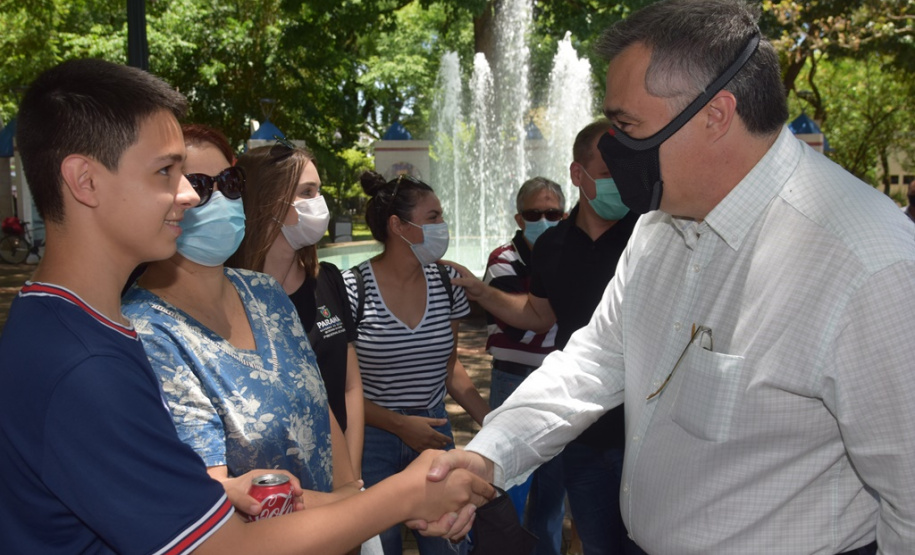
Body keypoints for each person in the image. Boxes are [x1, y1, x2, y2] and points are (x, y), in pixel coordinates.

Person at [421, 1, 915, 553]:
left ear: (716, 114)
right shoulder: (659, 225)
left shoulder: (866, 264)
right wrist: (488, 456)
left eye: (626, 125)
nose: (613, 147)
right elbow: (596, 361)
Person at [0, 58, 493, 555]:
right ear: (84, 181)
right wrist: (404, 495)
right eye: (165, 171)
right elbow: (223, 548)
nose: (188, 194)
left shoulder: (72, 328)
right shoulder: (83, 364)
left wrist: (225, 493)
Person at [122, 123, 366, 513]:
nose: (220, 199)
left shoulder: (266, 292)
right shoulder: (147, 333)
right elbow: (214, 507)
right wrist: (366, 508)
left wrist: (351, 493)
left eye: (230, 182)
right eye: (200, 186)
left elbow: (319, 410)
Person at [450, 121, 640, 555]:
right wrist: (482, 292)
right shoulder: (553, 246)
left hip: (639, 429)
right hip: (581, 430)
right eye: (608, 173)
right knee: (597, 542)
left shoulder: (646, 235)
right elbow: (538, 314)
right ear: (578, 174)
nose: (621, 183)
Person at [343, 170, 491, 555]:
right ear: (399, 226)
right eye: (433, 217)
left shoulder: (447, 283)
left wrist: (492, 421)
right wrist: (399, 424)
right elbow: (340, 389)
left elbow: (451, 368)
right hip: (372, 438)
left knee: (448, 542)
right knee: (379, 546)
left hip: (435, 433)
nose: (443, 226)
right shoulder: (351, 289)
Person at [229, 142, 365, 478]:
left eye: (318, 191)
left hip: (338, 477)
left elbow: (350, 387)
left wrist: (351, 477)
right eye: (307, 192)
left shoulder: (328, 280)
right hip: (268, 484)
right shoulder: (228, 290)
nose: (319, 203)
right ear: (269, 200)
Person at [482, 176, 567, 553]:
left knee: (551, 497)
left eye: (553, 213)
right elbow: (523, 327)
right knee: (509, 492)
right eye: (534, 214)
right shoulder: (503, 260)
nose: (544, 220)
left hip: (560, 383)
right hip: (513, 383)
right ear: (519, 219)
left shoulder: (570, 253)